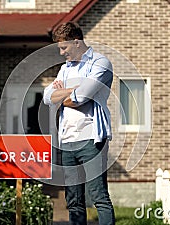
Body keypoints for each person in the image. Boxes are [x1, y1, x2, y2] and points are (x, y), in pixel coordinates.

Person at [43, 22, 115, 225]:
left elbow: (79, 98)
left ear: (76, 42)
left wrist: (63, 93)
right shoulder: (66, 69)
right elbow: (47, 98)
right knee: (73, 200)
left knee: (98, 196)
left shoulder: (100, 63)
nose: (60, 52)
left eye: (63, 47)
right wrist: (70, 90)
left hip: (92, 139)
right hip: (67, 140)